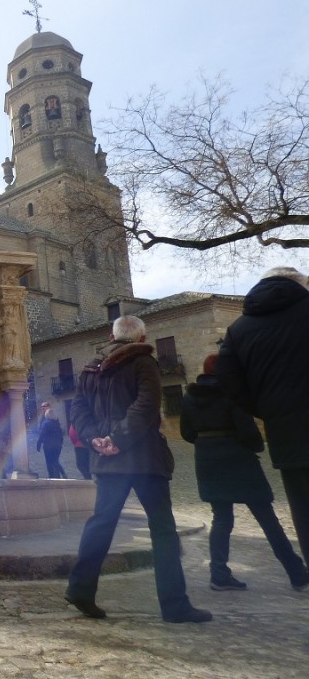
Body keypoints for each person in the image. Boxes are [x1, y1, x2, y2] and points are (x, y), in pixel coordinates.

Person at [65, 315, 211, 623]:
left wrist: (95, 439)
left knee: (101, 523)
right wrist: (117, 439)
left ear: (111, 336)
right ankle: (174, 605)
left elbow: (78, 409)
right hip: (143, 458)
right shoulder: (144, 362)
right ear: (142, 338)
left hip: (107, 458)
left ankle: (80, 588)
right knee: (163, 529)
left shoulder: (90, 368)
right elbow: (146, 405)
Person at [180, 353, 309, 591]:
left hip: (208, 462)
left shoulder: (189, 398)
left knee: (221, 519)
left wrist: (208, 443)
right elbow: (248, 431)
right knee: (267, 518)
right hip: (239, 461)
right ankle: (296, 572)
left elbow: (187, 433)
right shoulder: (232, 395)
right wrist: (256, 446)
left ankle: (218, 573)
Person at [217, 267, 309, 571]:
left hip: (287, 436)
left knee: (304, 511)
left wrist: (268, 410)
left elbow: (231, 384)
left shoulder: (239, 329)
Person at [36, 401, 67, 479]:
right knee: (54, 460)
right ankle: (56, 476)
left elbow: (42, 433)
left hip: (49, 444)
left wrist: (38, 444)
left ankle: (55, 476)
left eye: (44, 406)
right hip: (56, 444)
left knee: (51, 461)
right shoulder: (47, 418)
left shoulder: (50, 418)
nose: (42, 408)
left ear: (48, 406)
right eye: (41, 407)